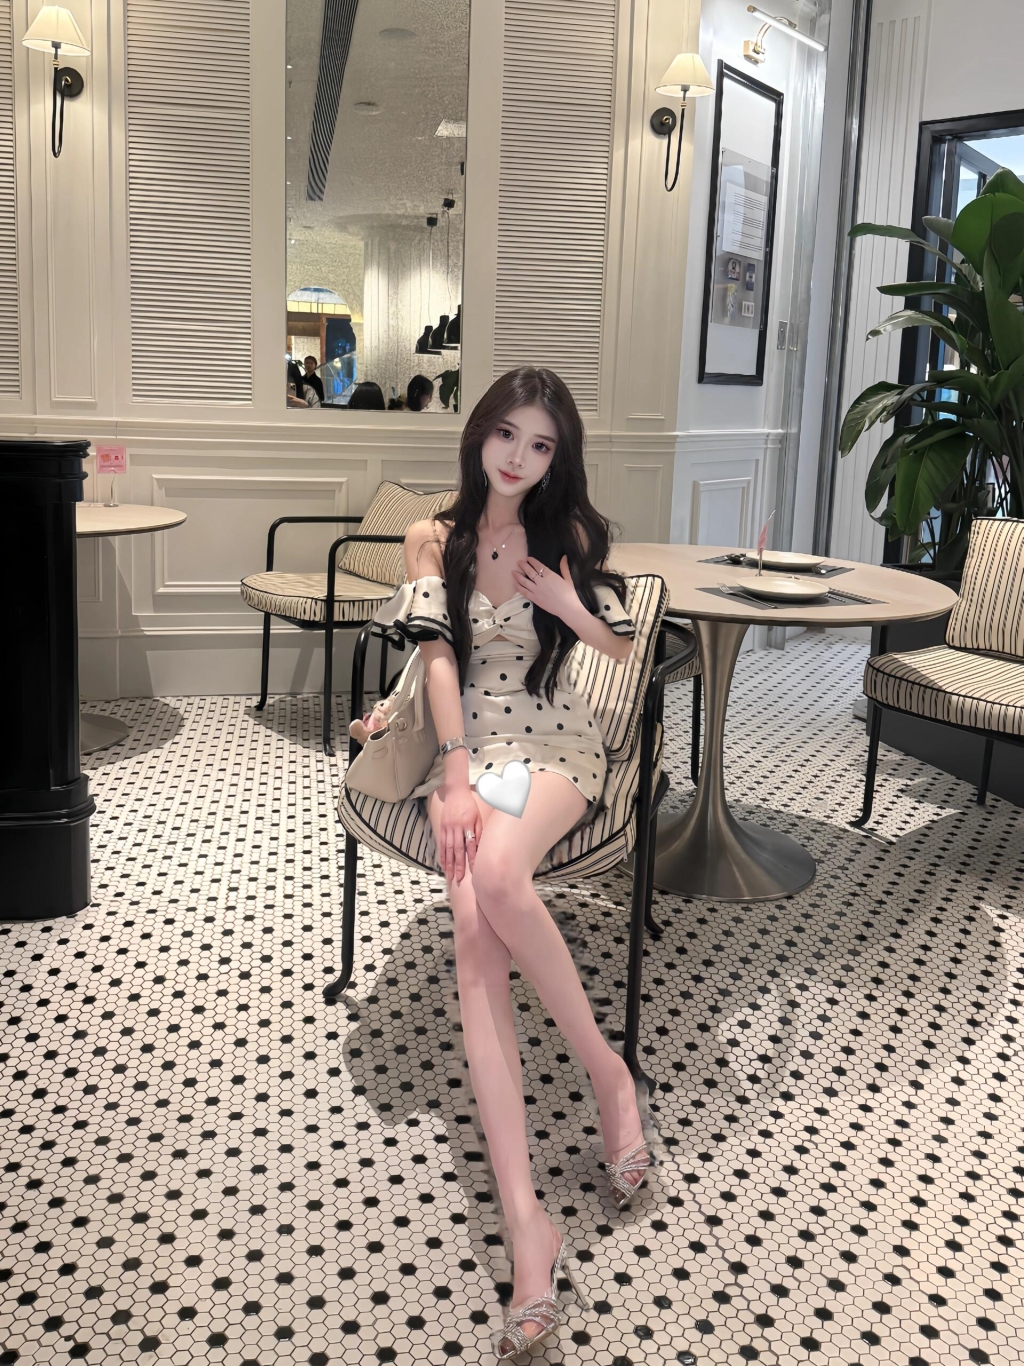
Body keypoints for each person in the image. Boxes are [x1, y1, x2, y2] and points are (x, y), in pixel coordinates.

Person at [368, 367, 652, 1359]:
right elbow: (437, 659)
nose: (518, 458)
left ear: (555, 456)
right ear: (479, 433)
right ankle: (527, 1224)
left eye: (539, 444)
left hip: (555, 745)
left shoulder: (563, 535)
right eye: (505, 435)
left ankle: (608, 1075)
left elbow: (620, 651)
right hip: (470, 750)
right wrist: (452, 776)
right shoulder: (431, 538)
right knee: (471, 933)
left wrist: (571, 607)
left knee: (494, 881)